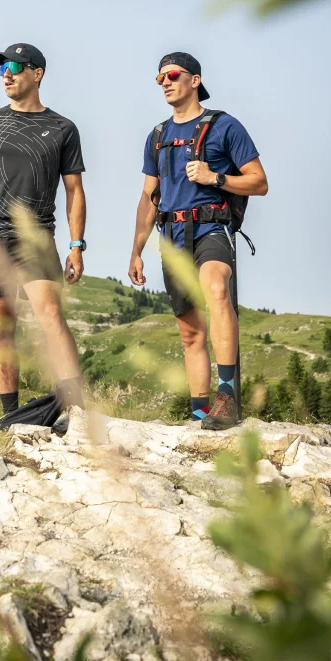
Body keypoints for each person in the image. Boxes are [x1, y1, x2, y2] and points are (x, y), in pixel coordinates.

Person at [129, 52, 268, 430]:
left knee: (216, 288)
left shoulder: (225, 126)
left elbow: (259, 182)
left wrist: (215, 178)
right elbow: (148, 197)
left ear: (194, 80)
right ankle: (199, 413)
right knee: (190, 331)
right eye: (159, 79)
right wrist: (136, 250)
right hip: (170, 236)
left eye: (172, 75)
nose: (165, 83)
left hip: (212, 227)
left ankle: (228, 398)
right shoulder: (157, 136)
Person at [0, 43, 87, 415]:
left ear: (36, 73)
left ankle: (76, 409)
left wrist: (76, 245)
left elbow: (75, 190)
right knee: (0, 329)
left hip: (36, 235)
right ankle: (11, 416)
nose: (6, 74)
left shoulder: (62, 128)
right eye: (1, 68)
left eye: (14, 66)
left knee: (50, 315)